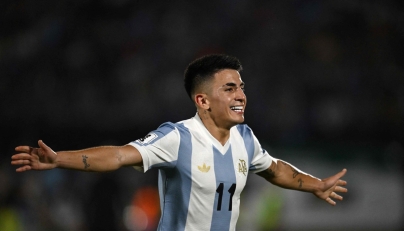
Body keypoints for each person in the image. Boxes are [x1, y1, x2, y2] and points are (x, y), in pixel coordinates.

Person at [12, 54, 348, 231]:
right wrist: (60, 159)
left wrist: (315, 185)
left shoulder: (245, 138)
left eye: (241, 86)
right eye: (229, 88)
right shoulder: (177, 136)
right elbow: (117, 155)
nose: (241, 95)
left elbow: (275, 170)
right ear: (202, 101)